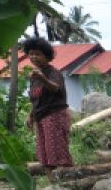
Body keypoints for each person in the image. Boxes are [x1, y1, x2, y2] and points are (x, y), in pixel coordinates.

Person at [22, 36, 73, 171]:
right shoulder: (35, 76)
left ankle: (66, 182)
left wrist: (43, 79)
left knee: (56, 152)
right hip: (40, 116)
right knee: (44, 155)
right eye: (31, 54)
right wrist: (30, 115)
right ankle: (53, 185)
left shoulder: (53, 72)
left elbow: (55, 88)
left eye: (38, 54)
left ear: (46, 56)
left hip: (54, 115)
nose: (33, 57)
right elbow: (36, 99)